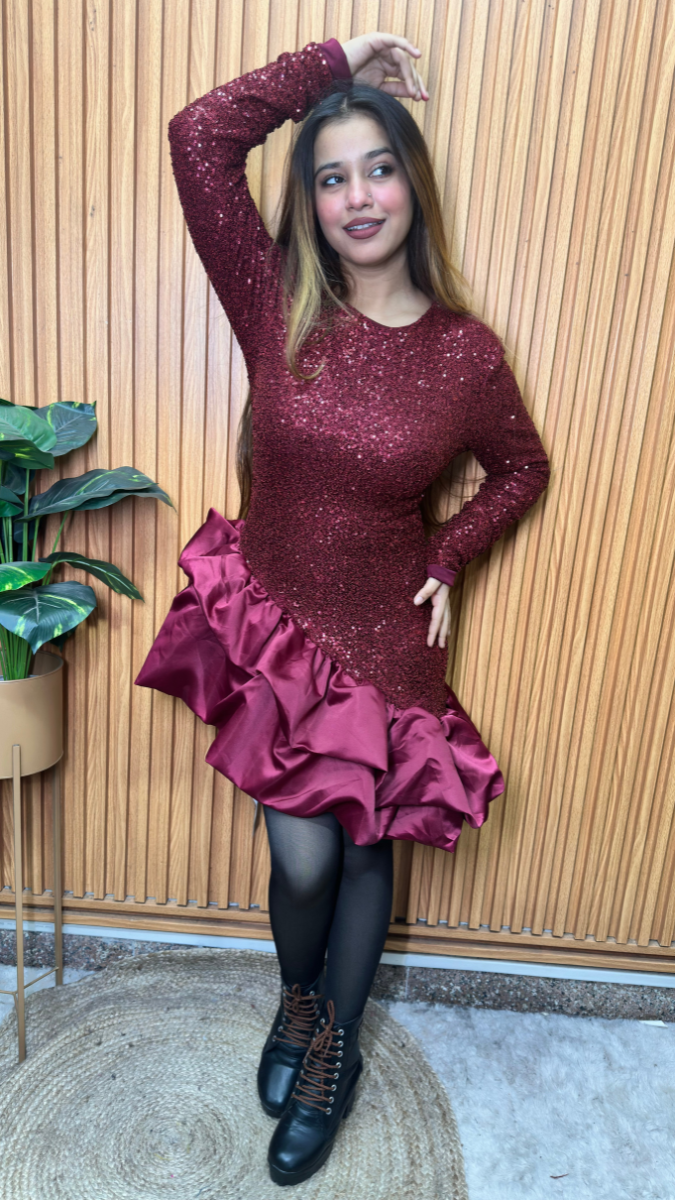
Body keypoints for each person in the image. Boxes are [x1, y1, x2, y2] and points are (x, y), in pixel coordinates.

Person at [135, 31, 550, 1187]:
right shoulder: (276, 302)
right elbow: (199, 138)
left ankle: (335, 1051)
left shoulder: (467, 355)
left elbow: (522, 468)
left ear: (412, 184)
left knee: (369, 856)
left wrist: (450, 554)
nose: (359, 196)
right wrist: (329, 66)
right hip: (282, 630)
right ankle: (298, 1000)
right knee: (306, 863)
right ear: (312, 203)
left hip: (388, 643)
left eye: (379, 168)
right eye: (332, 176)